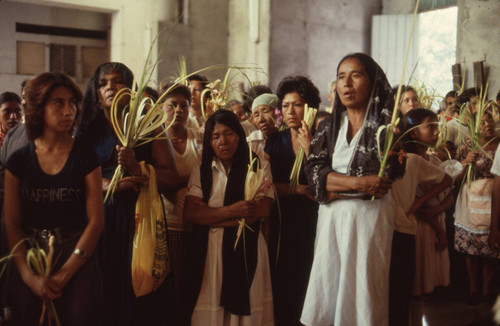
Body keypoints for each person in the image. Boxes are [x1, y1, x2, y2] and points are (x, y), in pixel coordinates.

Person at [302, 53, 404, 326]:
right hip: (331, 223)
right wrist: (358, 183)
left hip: (369, 222)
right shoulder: (327, 128)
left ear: (373, 83)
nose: (346, 84)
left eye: (355, 75)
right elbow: (312, 174)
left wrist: (333, 185)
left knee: (364, 289)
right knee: (329, 285)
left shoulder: (388, 130)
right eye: (341, 76)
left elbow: (381, 181)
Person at [75, 62, 178, 325]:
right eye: (103, 83)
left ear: (131, 89)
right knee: (101, 291)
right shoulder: (86, 131)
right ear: (96, 93)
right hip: (98, 223)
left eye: (118, 81)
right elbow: (72, 179)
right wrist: (109, 185)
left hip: (138, 221)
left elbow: (171, 178)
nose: (111, 87)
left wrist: (138, 169)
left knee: (138, 296)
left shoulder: (149, 126)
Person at [4, 72, 104, 325]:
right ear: (39, 107)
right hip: (30, 256)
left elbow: (96, 221)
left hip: (77, 258)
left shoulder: (86, 157)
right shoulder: (19, 161)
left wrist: (65, 273)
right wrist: (29, 276)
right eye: (58, 102)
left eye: (72, 102)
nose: (68, 110)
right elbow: (12, 223)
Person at [183, 109, 274, 325]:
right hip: (210, 252)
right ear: (209, 140)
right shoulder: (202, 170)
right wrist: (234, 211)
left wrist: (212, 216)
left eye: (229, 134)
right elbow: (192, 214)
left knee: (245, 314)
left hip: (246, 249)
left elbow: (262, 211)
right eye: (215, 136)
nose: (222, 141)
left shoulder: (258, 166)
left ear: (239, 135)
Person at [264, 75, 320, 326]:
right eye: (285, 106)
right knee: (283, 276)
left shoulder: (321, 141)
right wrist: (295, 189)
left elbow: (327, 176)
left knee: (311, 277)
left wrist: (310, 149)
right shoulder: (273, 142)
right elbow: (263, 185)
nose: (290, 111)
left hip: (314, 219)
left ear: (309, 107)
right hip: (282, 219)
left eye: (296, 105)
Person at [161, 83, 202, 312]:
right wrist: (193, 175)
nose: (178, 110)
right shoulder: (155, 141)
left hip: (196, 224)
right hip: (170, 224)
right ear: (161, 107)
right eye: (172, 105)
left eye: (183, 105)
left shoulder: (198, 138)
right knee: (173, 288)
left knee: (193, 286)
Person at [454, 111, 500, 305]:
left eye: (489, 121)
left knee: (491, 249)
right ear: (473, 127)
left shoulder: (499, 145)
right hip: (470, 201)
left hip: (492, 200)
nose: (487, 125)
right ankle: (473, 289)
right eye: (482, 123)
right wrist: (466, 162)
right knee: (471, 248)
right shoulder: (468, 146)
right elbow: (456, 177)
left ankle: (487, 289)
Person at [247, 93, 279, 165]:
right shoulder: (251, 143)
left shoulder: (291, 137)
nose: (261, 119)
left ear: (278, 112)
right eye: (256, 115)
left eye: (265, 111)